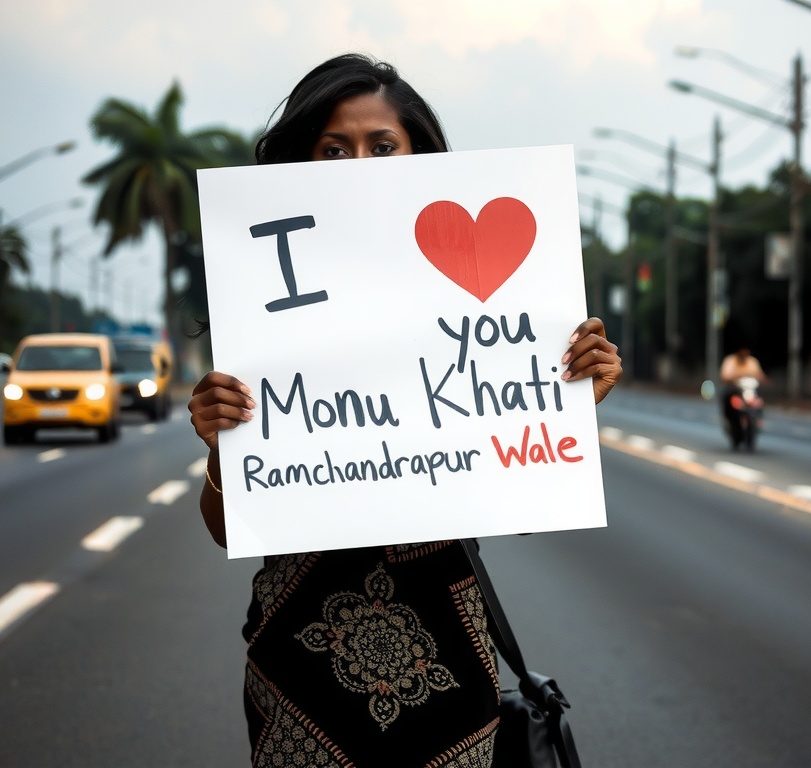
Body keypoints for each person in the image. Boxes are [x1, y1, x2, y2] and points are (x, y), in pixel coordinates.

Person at [187, 53, 622, 768]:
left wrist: (566, 402)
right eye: (333, 149)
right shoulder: (264, 298)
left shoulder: (487, 298)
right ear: (301, 162)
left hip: (447, 639)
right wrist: (219, 448)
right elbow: (226, 526)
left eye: (381, 146)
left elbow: (519, 507)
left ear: (418, 156)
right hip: (299, 650)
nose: (358, 163)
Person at [718, 346, 766, 441]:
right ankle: (728, 419)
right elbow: (724, 376)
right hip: (735, 389)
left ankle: (758, 419)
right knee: (726, 396)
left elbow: (760, 375)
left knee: (759, 400)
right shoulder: (730, 361)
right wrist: (734, 377)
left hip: (749, 390)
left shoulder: (752, 361)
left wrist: (764, 379)